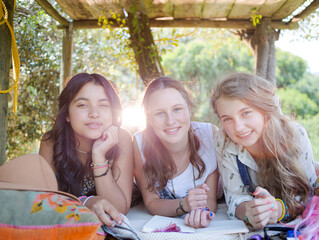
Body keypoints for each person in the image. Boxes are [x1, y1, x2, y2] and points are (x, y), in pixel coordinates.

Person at [211, 72, 317, 229]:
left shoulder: (295, 135)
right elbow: (234, 197)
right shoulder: (223, 139)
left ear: (264, 110)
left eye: (245, 113)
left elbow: (311, 195)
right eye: (227, 119)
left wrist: (280, 210)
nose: (238, 127)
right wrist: (249, 211)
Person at [39, 73, 133, 226]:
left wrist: (99, 156)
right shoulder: (51, 142)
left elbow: (119, 210)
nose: (94, 114)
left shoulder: (122, 138)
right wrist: (85, 202)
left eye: (103, 105)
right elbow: (44, 201)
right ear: (67, 114)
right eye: (82, 105)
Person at [133, 76, 219, 228]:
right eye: (159, 113)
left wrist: (202, 213)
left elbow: (210, 198)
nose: (170, 121)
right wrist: (184, 204)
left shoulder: (210, 135)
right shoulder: (139, 143)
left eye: (177, 109)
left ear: (189, 109)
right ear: (149, 118)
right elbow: (152, 202)